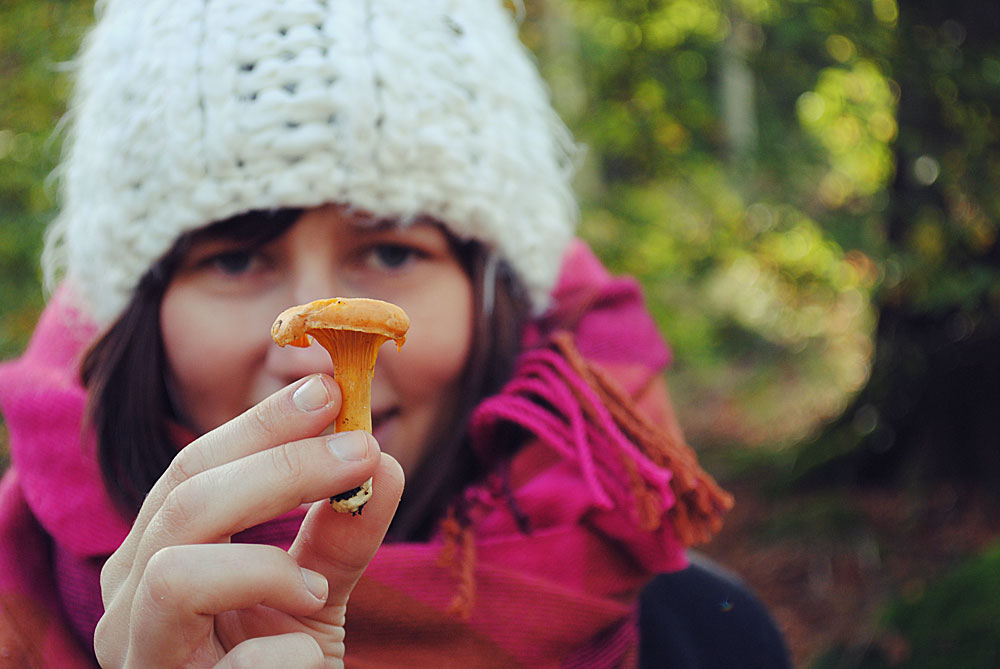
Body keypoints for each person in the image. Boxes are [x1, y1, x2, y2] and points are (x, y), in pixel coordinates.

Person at [0, 0, 790, 666]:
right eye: (235, 257)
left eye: (390, 250)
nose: (308, 349)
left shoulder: (711, 635)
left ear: (494, 293)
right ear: (141, 311)